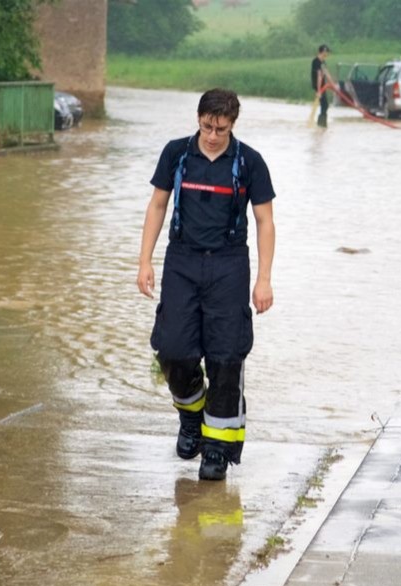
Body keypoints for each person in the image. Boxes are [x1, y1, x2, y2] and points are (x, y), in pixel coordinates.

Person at [136, 89, 276, 481]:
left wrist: (264, 279)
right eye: (207, 127)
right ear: (198, 119)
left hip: (229, 266)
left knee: (226, 357)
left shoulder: (249, 162)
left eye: (221, 129)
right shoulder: (176, 154)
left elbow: (265, 221)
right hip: (182, 261)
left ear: (233, 125)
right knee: (173, 351)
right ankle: (191, 416)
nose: (212, 135)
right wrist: (145, 261)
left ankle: (217, 449)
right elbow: (158, 205)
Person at [310, 45, 334, 127]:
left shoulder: (323, 62)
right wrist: (319, 90)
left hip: (322, 86)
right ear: (323, 52)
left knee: (325, 105)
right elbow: (319, 76)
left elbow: (327, 73)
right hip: (318, 86)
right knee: (325, 105)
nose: (327, 54)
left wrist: (333, 85)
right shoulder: (316, 62)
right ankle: (321, 125)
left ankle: (322, 125)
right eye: (327, 52)